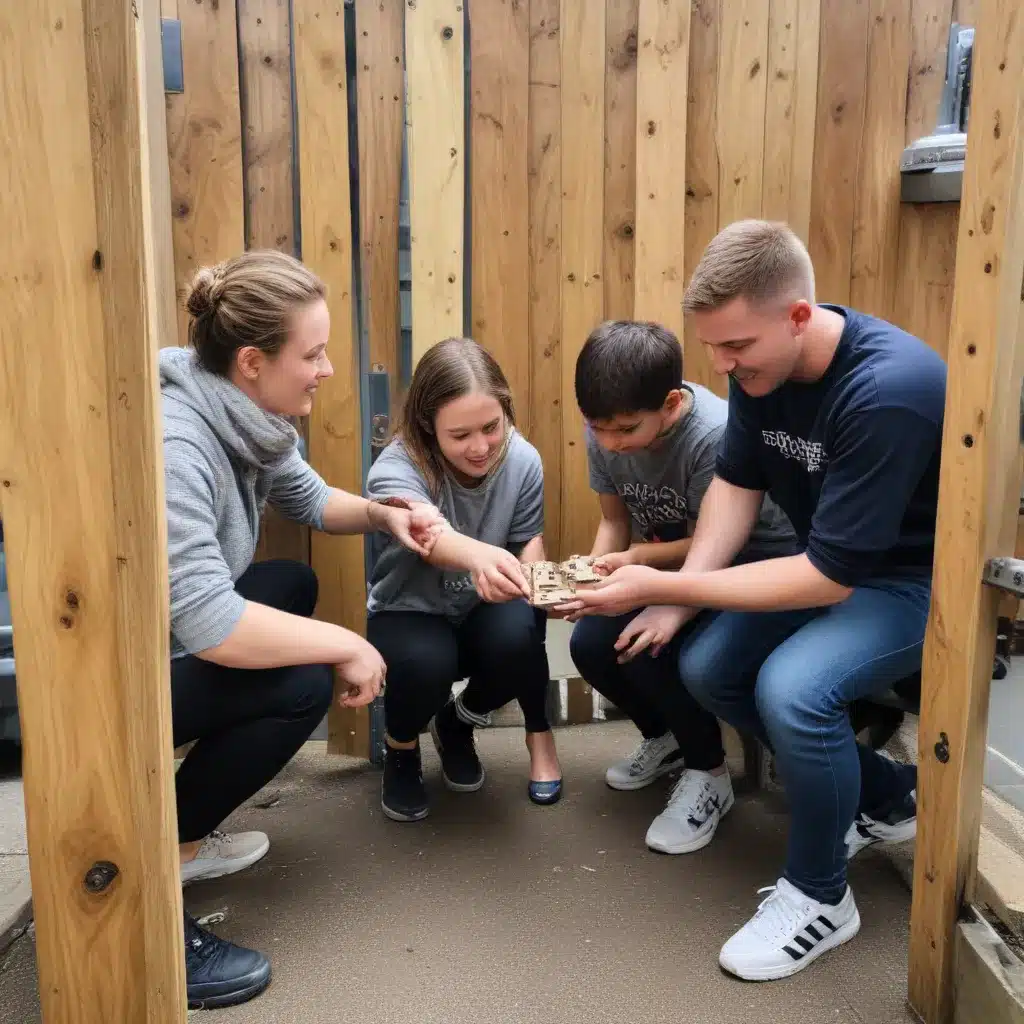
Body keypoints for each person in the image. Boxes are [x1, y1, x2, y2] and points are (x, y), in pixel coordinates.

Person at [561, 219, 944, 982]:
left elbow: (832, 577)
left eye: (736, 348)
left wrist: (665, 582)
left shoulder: (887, 389)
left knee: (792, 690)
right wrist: (674, 603)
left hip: (908, 585)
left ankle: (821, 897)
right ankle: (890, 796)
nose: (721, 366)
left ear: (798, 315)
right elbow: (735, 492)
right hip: (825, 566)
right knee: (709, 670)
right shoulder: (761, 375)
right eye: (712, 347)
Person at [163, 249, 443, 1009]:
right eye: (312, 354)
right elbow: (214, 625)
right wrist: (352, 645)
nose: (325, 369)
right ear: (252, 362)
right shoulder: (179, 443)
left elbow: (313, 500)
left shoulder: (244, 415)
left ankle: (185, 840)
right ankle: (155, 883)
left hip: (173, 631)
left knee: (291, 584)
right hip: (115, 673)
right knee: (297, 683)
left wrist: (386, 513)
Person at [567, 320, 798, 854]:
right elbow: (613, 522)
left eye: (624, 430)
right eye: (597, 428)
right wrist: (584, 581)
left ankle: (709, 776)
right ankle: (666, 739)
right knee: (592, 643)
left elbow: (715, 543)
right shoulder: (605, 425)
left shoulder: (714, 435)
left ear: (671, 404)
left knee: (657, 646)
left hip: (747, 566)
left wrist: (636, 562)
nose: (609, 443)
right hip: (667, 568)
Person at [364, 336, 563, 823]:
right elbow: (427, 537)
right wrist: (483, 559)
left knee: (522, 629)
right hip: (409, 609)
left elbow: (527, 539)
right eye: (460, 436)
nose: (481, 448)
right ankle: (402, 747)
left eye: (491, 427)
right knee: (427, 663)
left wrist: (541, 583)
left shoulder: (523, 460)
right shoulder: (395, 467)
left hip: (478, 608)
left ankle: (457, 723)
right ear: (428, 428)